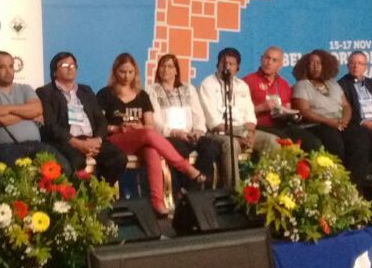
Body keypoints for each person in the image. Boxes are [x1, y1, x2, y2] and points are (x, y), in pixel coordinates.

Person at [97, 53, 206, 216]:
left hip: (140, 138)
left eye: (130, 72)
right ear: (115, 72)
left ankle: (157, 202)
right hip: (115, 141)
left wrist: (139, 126)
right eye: (122, 72)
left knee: (152, 150)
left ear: (135, 73)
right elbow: (99, 126)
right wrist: (118, 128)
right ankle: (186, 168)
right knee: (148, 134)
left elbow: (150, 125)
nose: (126, 76)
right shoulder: (105, 94)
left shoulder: (142, 95)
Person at [36, 52, 126, 183]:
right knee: (76, 162)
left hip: (91, 139)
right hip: (66, 141)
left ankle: (97, 191)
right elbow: (51, 125)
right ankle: (77, 194)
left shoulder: (86, 90)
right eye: (65, 65)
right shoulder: (45, 92)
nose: (70, 68)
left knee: (118, 158)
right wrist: (77, 143)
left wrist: (97, 140)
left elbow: (100, 119)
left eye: (73, 65)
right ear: (54, 72)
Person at [198, 47, 274, 188]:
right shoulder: (207, 85)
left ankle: (262, 186)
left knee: (272, 141)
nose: (227, 67)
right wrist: (239, 135)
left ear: (237, 68)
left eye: (231, 64)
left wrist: (249, 133)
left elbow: (250, 116)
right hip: (219, 133)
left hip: (243, 131)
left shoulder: (242, 86)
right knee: (232, 144)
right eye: (224, 63)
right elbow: (214, 123)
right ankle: (234, 191)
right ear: (217, 65)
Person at [290, 50, 366, 187]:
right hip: (317, 125)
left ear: (326, 65)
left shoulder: (333, 84)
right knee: (335, 143)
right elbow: (304, 111)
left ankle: (354, 184)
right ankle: (336, 183)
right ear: (305, 66)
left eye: (319, 63)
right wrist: (329, 122)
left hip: (339, 122)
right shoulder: (302, 85)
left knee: (360, 138)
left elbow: (346, 106)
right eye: (311, 63)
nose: (315, 66)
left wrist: (345, 120)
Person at [147, 53, 222, 188]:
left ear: (176, 71)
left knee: (211, 147)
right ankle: (184, 189)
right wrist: (175, 132)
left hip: (190, 134)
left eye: (170, 66)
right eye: (162, 66)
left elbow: (198, 114)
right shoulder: (151, 91)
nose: (165, 69)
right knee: (179, 149)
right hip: (169, 135)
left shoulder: (189, 89)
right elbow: (155, 121)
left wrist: (198, 131)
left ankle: (193, 188)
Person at [0, 50, 69, 172]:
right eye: (2, 67)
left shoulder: (25, 88)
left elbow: (37, 109)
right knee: (21, 174)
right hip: (6, 146)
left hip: (36, 144)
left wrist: (8, 109)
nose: (8, 71)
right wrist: (28, 115)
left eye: (11, 66)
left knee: (64, 168)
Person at [242, 46, 322, 151]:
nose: (269, 62)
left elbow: (288, 108)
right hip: (259, 126)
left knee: (313, 142)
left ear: (280, 65)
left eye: (274, 60)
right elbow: (239, 114)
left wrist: (290, 114)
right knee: (286, 142)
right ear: (261, 59)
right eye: (267, 58)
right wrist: (262, 107)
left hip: (283, 126)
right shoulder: (247, 81)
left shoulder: (283, 84)